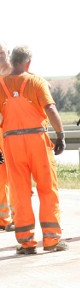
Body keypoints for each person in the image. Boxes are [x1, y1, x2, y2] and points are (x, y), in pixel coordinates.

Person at [0, 45, 67, 254]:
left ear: (11, 60)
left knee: (20, 192)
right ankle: (51, 241)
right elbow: (50, 108)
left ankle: (26, 243)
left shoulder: (1, 85)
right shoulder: (36, 81)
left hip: (11, 144)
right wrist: (60, 135)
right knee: (47, 189)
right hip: (37, 140)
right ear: (28, 62)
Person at [0, 42, 14, 232]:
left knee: (16, 178)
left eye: (1, 52)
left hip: (15, 134)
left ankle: (16, 217)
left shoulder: (16, 76)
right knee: (2, 178)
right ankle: (5, 219)